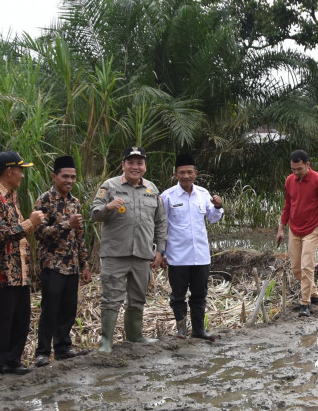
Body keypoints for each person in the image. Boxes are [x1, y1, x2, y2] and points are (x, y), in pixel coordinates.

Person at [89, 147, 167, 353]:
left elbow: (160, 222)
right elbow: (94, 214)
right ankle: (106, 341)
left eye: (139, 163)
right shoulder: (109, 186)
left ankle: (135, 336)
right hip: (116, 253)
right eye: (131, 163)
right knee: (111, 297)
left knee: (138, 296)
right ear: (123, 165)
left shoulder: (152, 189)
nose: (135, 167)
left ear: (145, 166)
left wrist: (160, 251)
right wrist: (108, 207)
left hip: (142, 254)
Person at [0, 151, 44, 382]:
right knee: (1, 318)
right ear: (9, 171)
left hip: (19, 269)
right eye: (20, 170)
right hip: (1, 271)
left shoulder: (11, 196)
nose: (22, 176)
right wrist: (30, 224)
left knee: (20, 317)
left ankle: (12, 360)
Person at [159, 151, 224, 341]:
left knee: (199, 295)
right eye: (181, 173)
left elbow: (212, 219)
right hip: (177, 256)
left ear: (196, 173)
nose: (186, 176)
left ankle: (199, 330)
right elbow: (160, 226)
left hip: (201, 255)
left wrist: (218, 206)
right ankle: (181, 330)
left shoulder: (203, 194)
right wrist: (160, 251)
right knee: (178, 296)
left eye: (189, 172)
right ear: (175, 175)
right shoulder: (167, 197)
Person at [33, 155, 90, 366]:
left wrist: (85, 264)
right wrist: (67, 224)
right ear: (54, 176)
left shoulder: (75, 202)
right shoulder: (44, 201)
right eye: (65, 176)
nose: (70, 180)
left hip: (72, 264)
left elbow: (80, 237)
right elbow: (39, 233)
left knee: (68, 308)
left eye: (73, 177)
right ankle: (42, 351)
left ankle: (63, 347)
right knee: (50, 308)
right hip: (52, 264)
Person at [275, 150, 318, 316]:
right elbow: (287, 205)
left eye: (299, 169)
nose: (296, 173)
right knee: (296, 269)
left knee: (307, 266)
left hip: (313, 229)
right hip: (294, 229)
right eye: (293, 169)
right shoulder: (289, 181)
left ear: (308, 165)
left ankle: (305, 305)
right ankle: (314, 295)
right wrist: (281, 229)